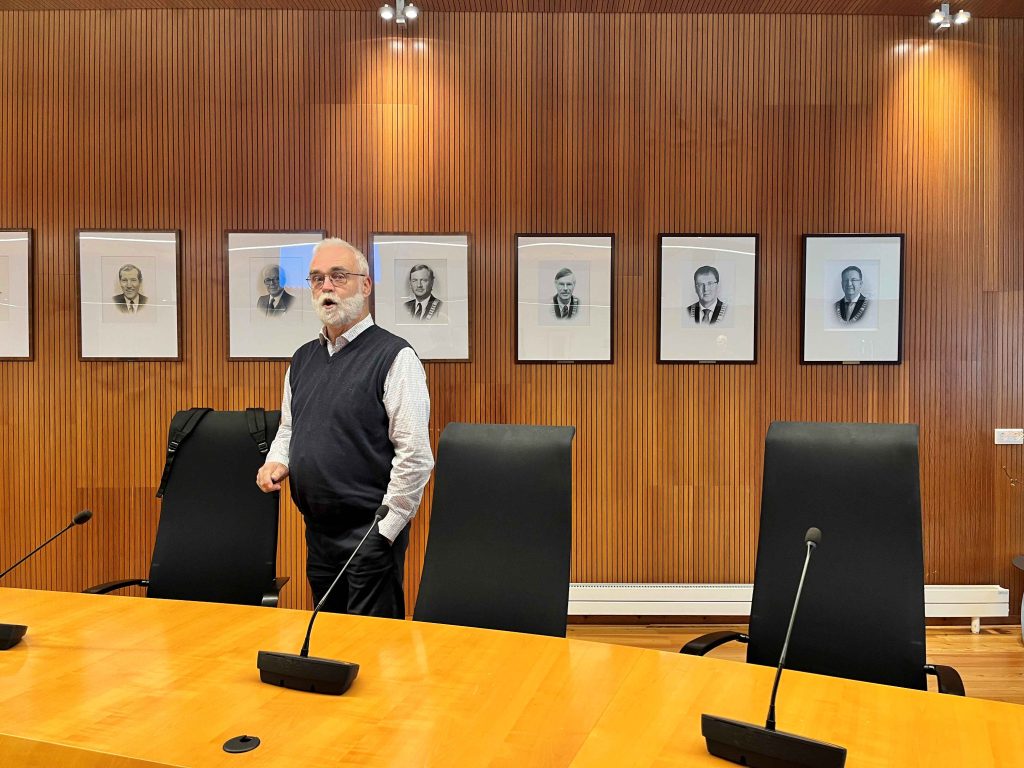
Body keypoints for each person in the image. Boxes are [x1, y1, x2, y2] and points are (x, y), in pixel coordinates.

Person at [256, 238, 433, 619]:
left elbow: (415, 455)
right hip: (318, 533)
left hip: (369, 532)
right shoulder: (303, 358)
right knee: (329, 640)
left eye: (338, 276)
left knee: (372, 651)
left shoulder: (395, 357)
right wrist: (276, 461)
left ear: (365, 285)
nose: (327, 287)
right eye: (317, 279)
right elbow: (290, 429)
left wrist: (384, 532)